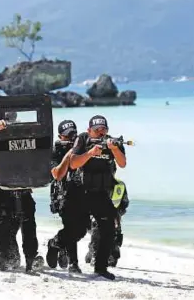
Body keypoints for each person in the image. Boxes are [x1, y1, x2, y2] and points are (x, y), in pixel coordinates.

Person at [0, 117, 44, 273]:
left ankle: (31, 257)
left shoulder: (22, 134)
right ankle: (4, 256)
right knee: (4, 228)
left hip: (21, 185)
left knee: (28, 223)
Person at [70, 115, 127, 280]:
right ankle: (60, 248)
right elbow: (73, 163)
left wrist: (115, 149)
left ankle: (100, 267)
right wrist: (90, 153)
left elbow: (122, 164)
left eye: (104, 130)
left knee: (108, 228)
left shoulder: (112, 142)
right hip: (80, 192)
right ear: (89, 130)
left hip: (101, 193)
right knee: (77, 229)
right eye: (97, 130)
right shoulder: (82, 139)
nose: (101, 133)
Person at [46, 120, 89, 274]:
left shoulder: (83, 146)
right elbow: (57, 174)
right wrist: (69, 154)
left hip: (82, 194)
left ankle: (57, 243)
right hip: (63, 195)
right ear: (60, 137)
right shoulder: (56, 151)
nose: (71, 138)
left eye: (74, 135)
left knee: (82, 230)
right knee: (71, 227)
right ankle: (74, 263)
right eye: (67, 136)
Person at [86, 176, 129, 267]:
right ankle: (93, 253)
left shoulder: (120, 185)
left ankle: (109, 253)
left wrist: (117, 215)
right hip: (95, 218)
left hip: (113, 217)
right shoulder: (93, 182)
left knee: (113, 259)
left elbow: (124, 204)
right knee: (97, 228)